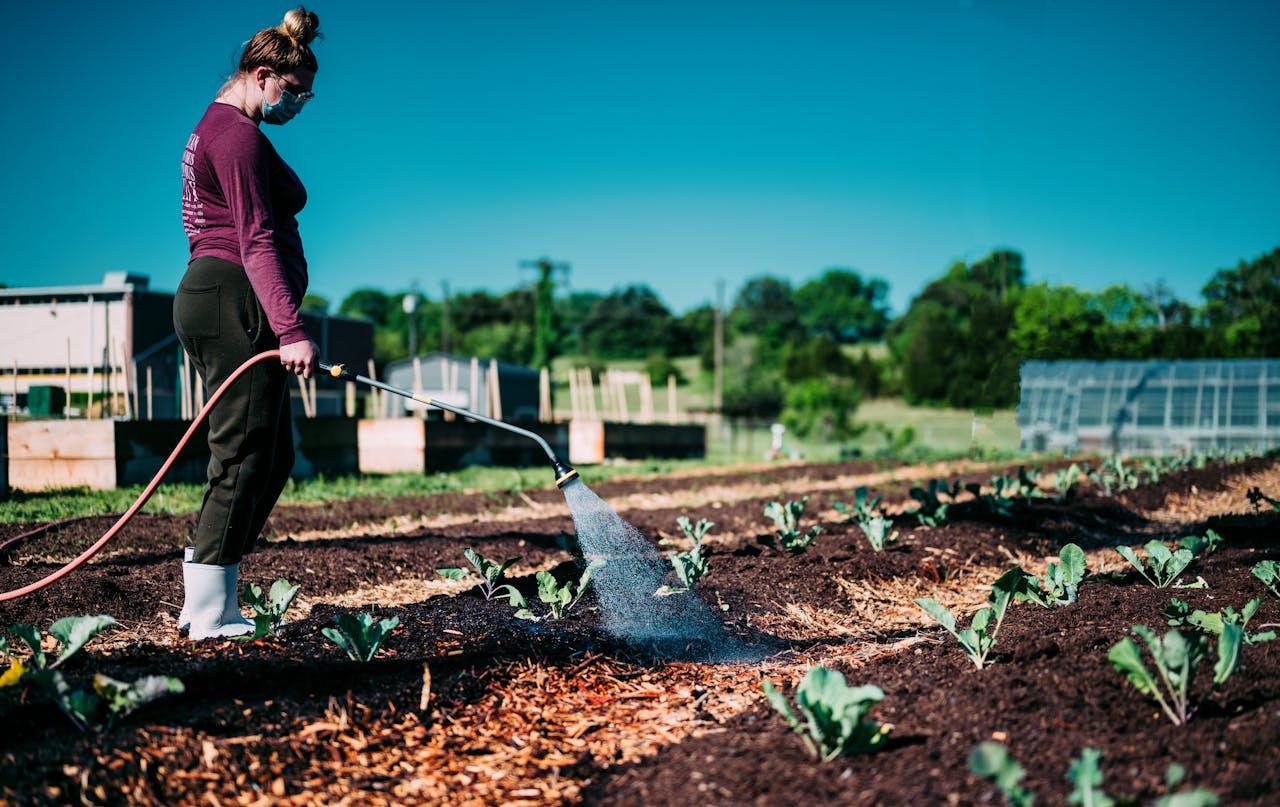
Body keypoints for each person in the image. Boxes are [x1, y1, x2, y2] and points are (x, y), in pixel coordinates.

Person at [174, 7, 322, 640]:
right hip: (231, 295)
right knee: (244, 450)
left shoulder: (225, 130)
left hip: (228, 296)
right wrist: (289, 328)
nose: (298, 106)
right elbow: (255, 237)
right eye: (293, 93)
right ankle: (209, 611)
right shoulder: (232, 135)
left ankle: (208, 590)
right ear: (263, 75)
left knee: (274, 452)